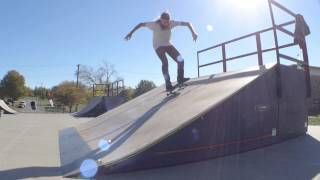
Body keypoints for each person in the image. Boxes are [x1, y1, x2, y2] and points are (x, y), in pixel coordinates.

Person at [125, 12, 198, 91]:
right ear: (160, 20)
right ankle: (168, 84)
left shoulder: (172, 23)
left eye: (167, 22)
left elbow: (187, 23)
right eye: (164, 22)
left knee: (181, 60)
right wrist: (130, 33)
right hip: (158, 46)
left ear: (169, 21)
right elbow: (141, 24)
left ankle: (180, 79)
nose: (166, 24)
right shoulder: (154, 25)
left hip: (168, 44)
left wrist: (193, 33)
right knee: (165, 62)